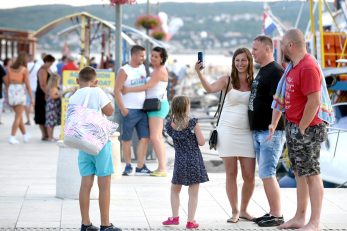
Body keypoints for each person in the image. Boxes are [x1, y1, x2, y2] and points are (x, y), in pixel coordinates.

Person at [268, 28, 333, 231]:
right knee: (299, 172)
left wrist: (302, 127)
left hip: (309, 128)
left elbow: (314, 101)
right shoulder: (294, 66)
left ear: (290, 45)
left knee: (312, 174)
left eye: (282, 45)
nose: (281, 49)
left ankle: (314, 222)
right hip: (295, 126)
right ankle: (300, 217)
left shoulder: (307, 67)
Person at [195, 48, 255, 223]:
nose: (240, 63)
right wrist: (199, 73)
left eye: (244, 60)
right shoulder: (226, 80)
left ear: (249, 62)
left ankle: (244, 209)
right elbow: (209, 88)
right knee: (231, 173)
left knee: (249, 176)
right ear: (233, 62)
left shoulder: (254, 82)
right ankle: (235, 211)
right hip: (227, 131)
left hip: (247, 133)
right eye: (237, 60)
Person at [69, 66, 121, 231]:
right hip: (99, 142)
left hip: (82, 143)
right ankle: (105, 225)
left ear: (78, 81)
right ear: (95, 81)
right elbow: (109, 110)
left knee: (86, 183)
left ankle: (86, 224)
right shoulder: (97, 91)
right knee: (104, 183)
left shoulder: (74, 96)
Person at [248, 35, 286, 227]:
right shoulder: (263, 70)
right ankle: (272, 212)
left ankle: (278, 215)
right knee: (264, 174)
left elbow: (279, 102)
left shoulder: (276, 72)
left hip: (270, 131)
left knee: (268, 173)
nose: (252, 52)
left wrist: (272, 126)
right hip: (259, 130)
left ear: (267, 49)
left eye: (255, 49)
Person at [162, 95, 209, 229]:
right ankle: (190, 221)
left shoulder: (170, 125)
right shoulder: (193, 123)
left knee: (175, 190)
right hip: (194, 160)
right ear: (187, 107)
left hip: (180, 161)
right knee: (193, 193)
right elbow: (201, 142)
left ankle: (175, 217)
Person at [122, 47, 170, 177]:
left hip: (157, 107)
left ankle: (162, 168)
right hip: (154, 106)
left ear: (162, 58)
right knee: (157, 137)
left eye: (156, 56)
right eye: (152, 55)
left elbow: (148, 86)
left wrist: (128, 90)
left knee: (155, 137)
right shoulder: (155, 70)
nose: (153, 58)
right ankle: (161, 167)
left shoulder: (159, 71)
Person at [114, 45, 152, 176]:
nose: (144, 58)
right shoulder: (124, 70)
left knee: (145, 138)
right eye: (141, 55)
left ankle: (141, 166)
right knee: (126, 140)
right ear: (134, 55)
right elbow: (117, 90)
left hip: (143, 110)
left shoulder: (142, 68)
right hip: (129, 110)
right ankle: (128, 166)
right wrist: (123, 109)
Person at [3, 52, 34, 144]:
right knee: (18, 116)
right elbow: (28, 85)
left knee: (18, 116)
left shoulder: (9, 69)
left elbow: (7, 83)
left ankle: (25, 135)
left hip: (11, 90)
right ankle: (12, 137)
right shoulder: (24, 69)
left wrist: (9, 92)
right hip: (20, 90)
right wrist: (32, 98)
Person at [35, 54, 55, 141]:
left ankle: (46, 134)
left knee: (45, 114)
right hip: (41, 94)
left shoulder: (48, 69)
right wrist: (47, 94)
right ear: (47, 61)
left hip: (45, 93)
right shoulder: (42, 70)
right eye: (50, 63)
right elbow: (42, 85)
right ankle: (44, 134)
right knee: (41, 114)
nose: (51, 64)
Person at [45, 73, 61, 141]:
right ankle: (50, 137)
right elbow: (53, 96)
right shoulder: (53, 88)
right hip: (52, 107)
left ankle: (51, 136)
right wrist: (60, 95)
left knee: (52, 122)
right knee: (50, 122)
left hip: (51, 106)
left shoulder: (50, 87)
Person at [25, 55, 40, 125]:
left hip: (27, 87)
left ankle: (28, 120)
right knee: (35, 103)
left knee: (28, 103)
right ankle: (36, 118)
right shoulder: (37, 66)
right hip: (35, 86)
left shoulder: (25, 66)